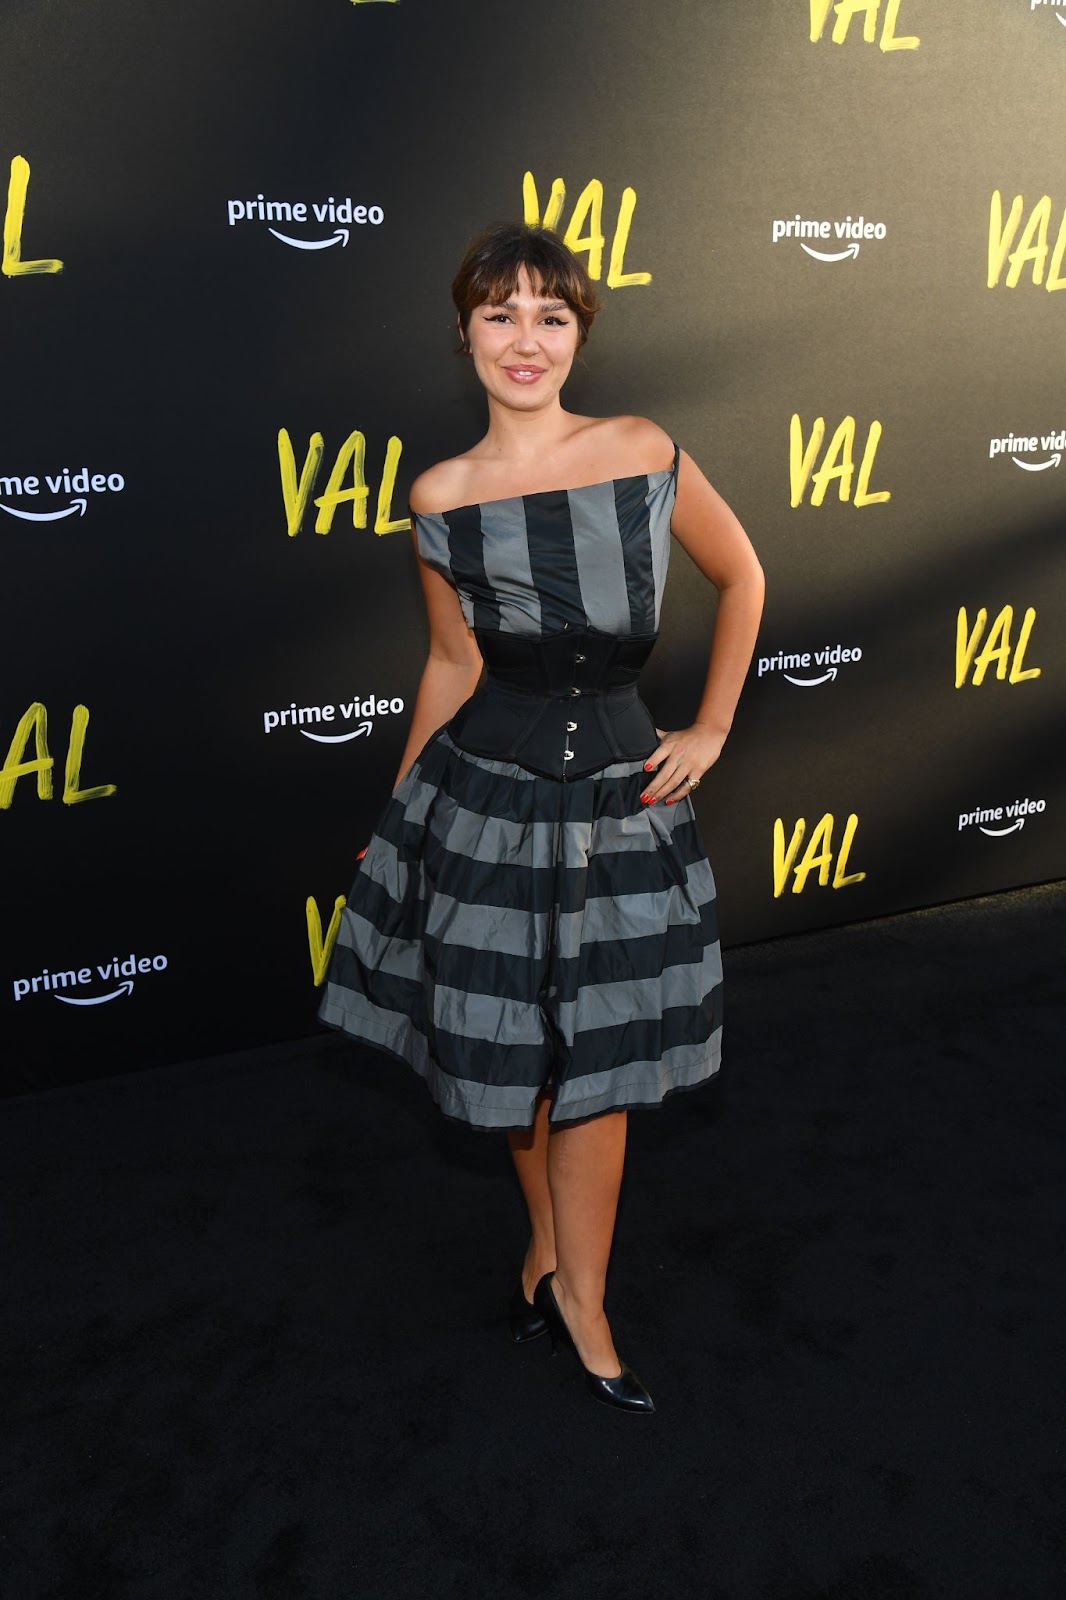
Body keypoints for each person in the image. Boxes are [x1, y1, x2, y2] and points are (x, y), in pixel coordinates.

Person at [319, 221, 764, 1414]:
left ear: (579, 334)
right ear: (463, 332)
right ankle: (546, 1250)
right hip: (484, 805)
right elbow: (450, 665)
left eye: (551, 316)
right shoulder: (441, 493)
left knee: (604, 1064)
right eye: (500, 314)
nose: (526, 340)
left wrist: (711, 729)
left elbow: (745, 575)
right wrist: (403, 814)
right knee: (515, 1056)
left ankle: (585, 1294)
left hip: (622, 801)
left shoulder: (639, 449)